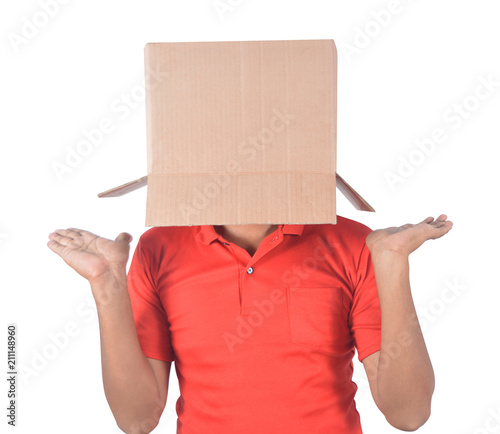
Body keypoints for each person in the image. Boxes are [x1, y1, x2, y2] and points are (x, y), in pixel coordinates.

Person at [47, 214, 453, 433]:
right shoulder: (160, 246)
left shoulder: (353, 241)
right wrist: (106, 283)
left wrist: (391, 262)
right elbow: (136, 420)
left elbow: (409, 413)